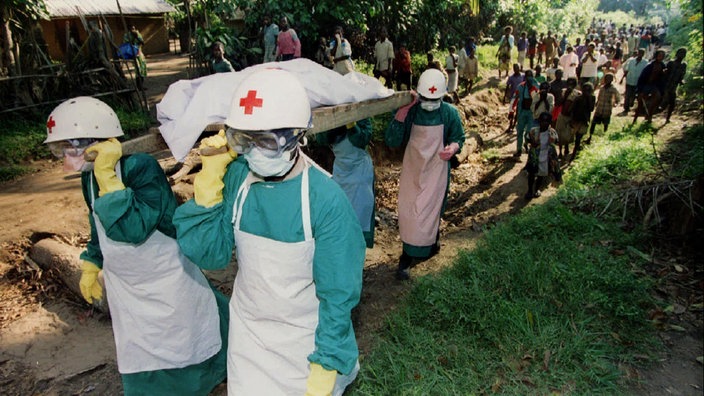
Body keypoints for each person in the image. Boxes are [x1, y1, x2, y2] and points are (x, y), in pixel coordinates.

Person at [173, 69, 364, 395]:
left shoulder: (325, 200)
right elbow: (210, 254)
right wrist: (208, 185)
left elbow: (338, 295)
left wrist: (326, 361)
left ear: (297, 136)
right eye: (244, 140)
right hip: (250, 337)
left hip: (305, 341)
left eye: (267, 141)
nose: (255, 152)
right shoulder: (235, 178)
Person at [44, 96, 228, 395]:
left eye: (70, 146)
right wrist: (92, 262)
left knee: (187, 337)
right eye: (59, 149)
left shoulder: (140, 167)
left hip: (165, 273)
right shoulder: (89, 178)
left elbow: (133, 228)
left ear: (95, 139)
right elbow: (98, 225)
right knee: (142, 349)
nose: (65, 156)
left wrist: (107, 174)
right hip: (126, 283)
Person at [385, 68, 465, 280]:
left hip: (437, 169)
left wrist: (454, 148)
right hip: (413, 168)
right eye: (426, 98)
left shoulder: (449, 113)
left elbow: (458, 136)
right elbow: (392, 141)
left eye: (434, 98)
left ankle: (432, 242)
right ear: (419, 94)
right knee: (410, 210)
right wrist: (401, 114)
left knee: (432, 210)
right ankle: (407, 254)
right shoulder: (411, 111)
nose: (430, 103)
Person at [320, 119, 376, 248]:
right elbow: (321, 139)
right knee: (340, 214)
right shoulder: (332, 115)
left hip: (360, 172)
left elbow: (363, 139)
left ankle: (358, 252)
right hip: (341, 172)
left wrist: (352, 125)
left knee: (360, 213)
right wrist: (333, 126)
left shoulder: (361, 116)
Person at [524, 112, 561, 200]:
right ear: (539, 121)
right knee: (532, 174)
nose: (544, 123)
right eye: (542, 121)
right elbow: (527, 139)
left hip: (545, 157)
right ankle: (529, 190)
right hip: (534, 157)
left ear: (550, 122)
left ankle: (536, 189)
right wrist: (531, 144)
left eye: (547, 121)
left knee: (541, 174)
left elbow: (556, 141)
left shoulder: (552, 132)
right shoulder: (534, 131)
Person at [633, 49, 667, 123]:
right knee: (640, 104)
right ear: (656, 56)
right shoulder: (650, 65)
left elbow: (662, 79)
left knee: (657, 99)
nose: (661, 57)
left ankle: (649, 117)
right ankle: (634, 120)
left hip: (654, 86)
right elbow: (642, 78)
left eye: (662, 56)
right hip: (646, 85)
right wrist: (639, 90)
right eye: (660, 55)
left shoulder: (663, 66)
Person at [587, 73, 620, 144]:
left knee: (605, 124)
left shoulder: (613, 89)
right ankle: (590, 137)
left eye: (609, 78)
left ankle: (604, 139)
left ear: (612, 80)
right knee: (593, 123)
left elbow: (618, 97)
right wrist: (597, 103)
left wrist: (615, 103)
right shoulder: (602, 87)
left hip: (607, 109)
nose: (607, 80)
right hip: (599, 108)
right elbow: (599, 97)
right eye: (606, 78)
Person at [660, 47, 687, 123]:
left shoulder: (684, 65)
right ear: (676, 54)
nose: (681, 55)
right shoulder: (671, 63)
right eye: (680, 53)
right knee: (663, 102)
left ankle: (668, 118)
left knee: (672, 103)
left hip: (674, 86)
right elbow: (665, 73)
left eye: (683, 53)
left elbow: (682, 76)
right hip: (666, 85)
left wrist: (682, 81)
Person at [555, 77, 580, 159]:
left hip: (571, 117)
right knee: (560, 134)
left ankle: (566, 148)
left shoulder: (578, 94)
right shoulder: (563, 91)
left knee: (568, 134)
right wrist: (565, 96)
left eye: (572, 84)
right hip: (562, 115)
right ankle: (561, 152)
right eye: (569, 83)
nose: (570, 85)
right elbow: (558, 103)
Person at [570, 81, 595, 159]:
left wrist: (588, 99)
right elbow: (572, 109)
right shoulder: (578, 98)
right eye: (585, 90)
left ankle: (574, 152)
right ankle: (574, 151)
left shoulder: (592, 98)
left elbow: (591, 109)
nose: (586, 92)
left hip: (584, 120)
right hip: (577, 120)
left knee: (579, 137)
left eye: (588, 90)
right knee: (575, 137)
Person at [620, 48, 648, 115]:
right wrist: (622, 79)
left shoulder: (645, 62)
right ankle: (626, 109)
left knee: (633, 96)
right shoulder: (631, 61)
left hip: (638, 82)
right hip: (629, 80)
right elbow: (627, 70)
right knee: (627, 95)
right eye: (639, 52)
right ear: (637, 53)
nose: (640, 54)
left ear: (644, 54)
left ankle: (631, 104)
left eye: (642, 53)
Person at [124, 25, 146, 90]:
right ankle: (138, 86)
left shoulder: (138, 34)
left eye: (134, 28)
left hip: (140, 53)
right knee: (138, 69)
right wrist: (133, 38)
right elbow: (127, 45)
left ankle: (141, 85)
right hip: (133, 54)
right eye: (132, 29)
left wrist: (137, 37)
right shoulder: (126, 36)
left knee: (143, 69)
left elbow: (142, 42)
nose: (133, 29)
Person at [504, 64, 524, 133]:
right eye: (515, 68)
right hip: (513, 97)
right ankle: (510, 124)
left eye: (517, 68)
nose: (516, 69)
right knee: (511, 112)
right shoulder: (511, 77)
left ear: (519, 68)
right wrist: (505, 97)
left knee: (518, 112)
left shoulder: (523, 76)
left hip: (521, 97)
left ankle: (514, 125)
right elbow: (507, 87)